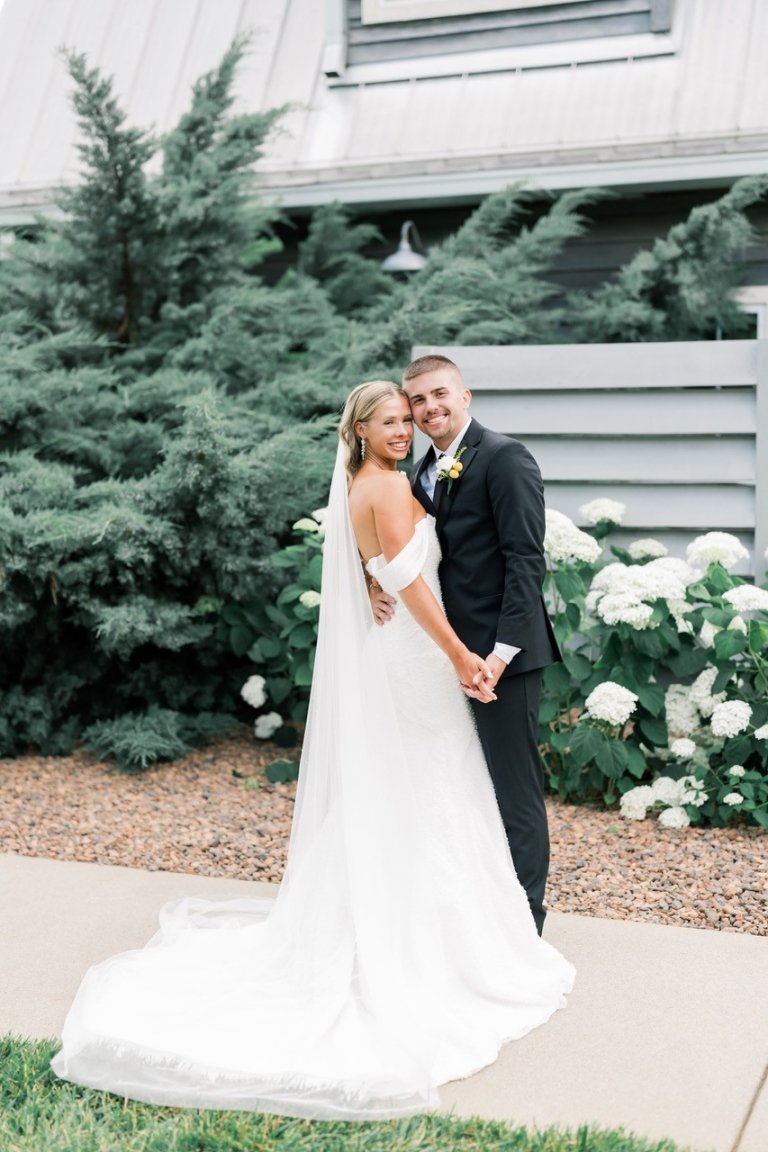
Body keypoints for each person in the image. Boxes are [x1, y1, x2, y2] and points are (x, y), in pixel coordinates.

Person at [52, 380, 573, 1121]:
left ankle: (419, 917)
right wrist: (459, 652)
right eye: (393, 418)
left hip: (406, 658)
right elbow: (411, 580)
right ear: (361, 430)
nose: (407, 426)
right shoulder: (389, 484)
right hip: (426, 656)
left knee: (424, 790)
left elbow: (391, 564)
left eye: (412, 415)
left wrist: (379, 579)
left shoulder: (384, 480)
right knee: (435, 787)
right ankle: (442, 939)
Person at [372, 355, 561, 935]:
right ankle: (479, 904)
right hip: (447, 655)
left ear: (465, 395)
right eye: (417, 403)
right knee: (465, 783)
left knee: (512, 784)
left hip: (501, 657)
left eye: (439, 395)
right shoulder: (419, 471)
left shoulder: (505, 458)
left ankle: (527, 920)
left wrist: (499, 657)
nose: (429, 410)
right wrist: (368, 580)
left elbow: (526, 561)